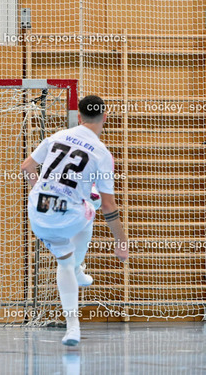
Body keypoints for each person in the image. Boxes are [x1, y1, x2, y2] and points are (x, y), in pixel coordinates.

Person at [20, 95, 128, 346]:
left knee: (64, 262)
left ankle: (73, 321)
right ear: (105, 117)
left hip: (37, 213)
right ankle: (77, 273)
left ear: (79, 117)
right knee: (94, 201)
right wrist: (121, 242)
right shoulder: (102, 153)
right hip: (69, 218)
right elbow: (110, 206)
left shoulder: (56, 137)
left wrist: (38, 189)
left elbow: (26, 167)